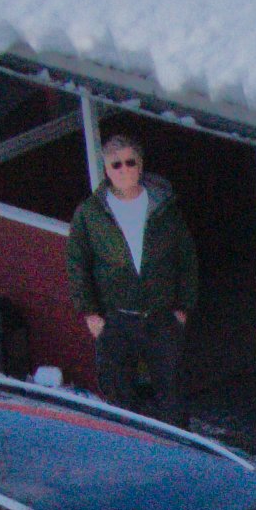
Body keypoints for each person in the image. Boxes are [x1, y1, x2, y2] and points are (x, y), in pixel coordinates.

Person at [66, 131, 198, 418]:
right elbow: (77, 263)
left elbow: (186, 257)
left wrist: (182, 308)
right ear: (106, 170)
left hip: (160, 316)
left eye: (129, 162)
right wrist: (90, 313)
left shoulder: (163, 207)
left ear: (140, 165)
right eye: (116, 165)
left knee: (172, 392)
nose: (124, 170)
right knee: (118, 393)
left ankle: (175, 447)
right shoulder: (91, 213)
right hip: (116, 318)